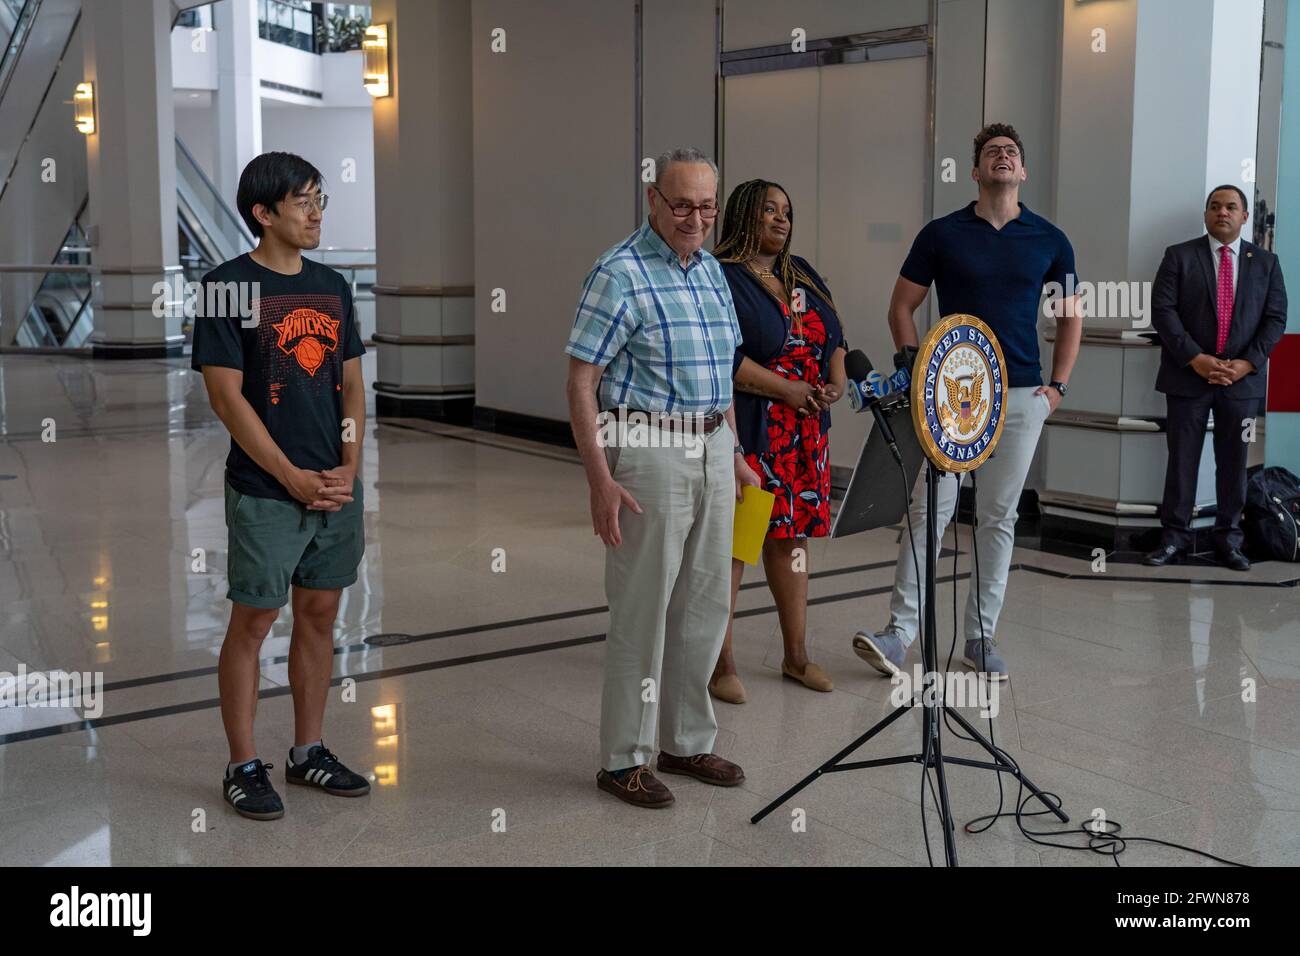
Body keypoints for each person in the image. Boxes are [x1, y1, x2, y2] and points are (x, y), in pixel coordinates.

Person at [852, 123, 1082, 683]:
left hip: (1023, 394)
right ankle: (899, 634)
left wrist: (1057, 389)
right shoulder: (942, 234)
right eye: (990, 153)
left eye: (1012, 153)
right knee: (931, 509)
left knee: (999, 517)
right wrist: (913, 365)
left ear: (1022, 172)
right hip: (952, 395)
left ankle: (980, 636)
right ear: (976, 171)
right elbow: (901, 306)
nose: (1002, 157)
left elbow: (1071, 314)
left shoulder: (1050, 240)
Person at [565, 147, 760, 809]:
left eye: (706, 207)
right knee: (642, 612)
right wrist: (600, 479)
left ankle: (684, 740)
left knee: (705, 606)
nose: (695, 218)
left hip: (711, 445)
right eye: (682, 205)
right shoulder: (618, 272)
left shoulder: (710, 271)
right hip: (645, 445)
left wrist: (732, 450)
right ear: (653, 200)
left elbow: (724, 369)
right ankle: (624, 758)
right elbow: (581, 381)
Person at [192, 152, 370, 820]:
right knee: (254, 620)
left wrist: (349, 466)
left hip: (332, 485)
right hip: (269, 489)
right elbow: (226, 400)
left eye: (320, 198)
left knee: (320, 615)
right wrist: (288, 476)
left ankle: (308, 751)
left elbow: (351, 385)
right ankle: (241, 764)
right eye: (303, 201)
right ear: (263, 214)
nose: (316, 211)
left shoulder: (332, 286)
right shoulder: (226, 288)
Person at [708, 179, 847, 703]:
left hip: (806, 434)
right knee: (738, 545)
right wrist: (786, 389)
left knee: (791, 543)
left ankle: (796, 656)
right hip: (756, 430)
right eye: (768, 210)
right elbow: (724, 358)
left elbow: (836, 336)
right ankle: (720, 663)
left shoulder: (801, 271)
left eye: (786, 211)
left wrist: (833, 378)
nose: (780, 220)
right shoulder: (722, 278)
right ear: (744, 214)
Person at [1144, 185, 1288, 570]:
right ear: (1205, 214)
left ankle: (1230, 541)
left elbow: (1275, 320)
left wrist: (1247, 364)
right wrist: (1196, 359)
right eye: (1214, 206)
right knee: (1182, 462)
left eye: (1230, 207)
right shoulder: (1179, 257)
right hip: (1187, 379)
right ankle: (1174, 538)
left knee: (1234, 462)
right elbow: (1163, 312)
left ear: (1244, 216)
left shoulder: (1267, 264)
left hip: (1241, 384)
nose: (1222, 212)